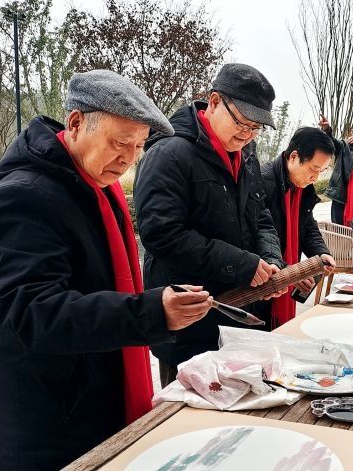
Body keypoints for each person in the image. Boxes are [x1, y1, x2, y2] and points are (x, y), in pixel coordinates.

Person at [0, 70, 214, 470]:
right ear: (75, 123)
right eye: (120, 143)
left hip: (90, 403)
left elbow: (98, 279)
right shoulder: (23, 197)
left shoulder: (94, 185)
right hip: (40, 426)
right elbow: (33, 312)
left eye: (138, 147)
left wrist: (160, 298)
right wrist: (150, 312)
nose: (127, 159)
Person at [134, 63, 285, 388]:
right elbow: (162, 235)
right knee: (187, 424)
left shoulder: (246, 154)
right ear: (214, 102)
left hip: (241, 312)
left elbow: (261, 216)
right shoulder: (170, 153)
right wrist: (242, 263)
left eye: (256, 128)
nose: (246, 134)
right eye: (241, 123)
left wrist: (271, 261)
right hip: (190, 322)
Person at [261, 127, 337, 327]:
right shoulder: (263, 181)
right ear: (294, 157)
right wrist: (290, 273)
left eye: (321, 172)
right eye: (313, 169)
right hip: (263, 283)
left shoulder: (302, 187)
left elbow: (307, 225)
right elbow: (259, 237)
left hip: (283, 274)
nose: (316, 178)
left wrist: (320, 253)